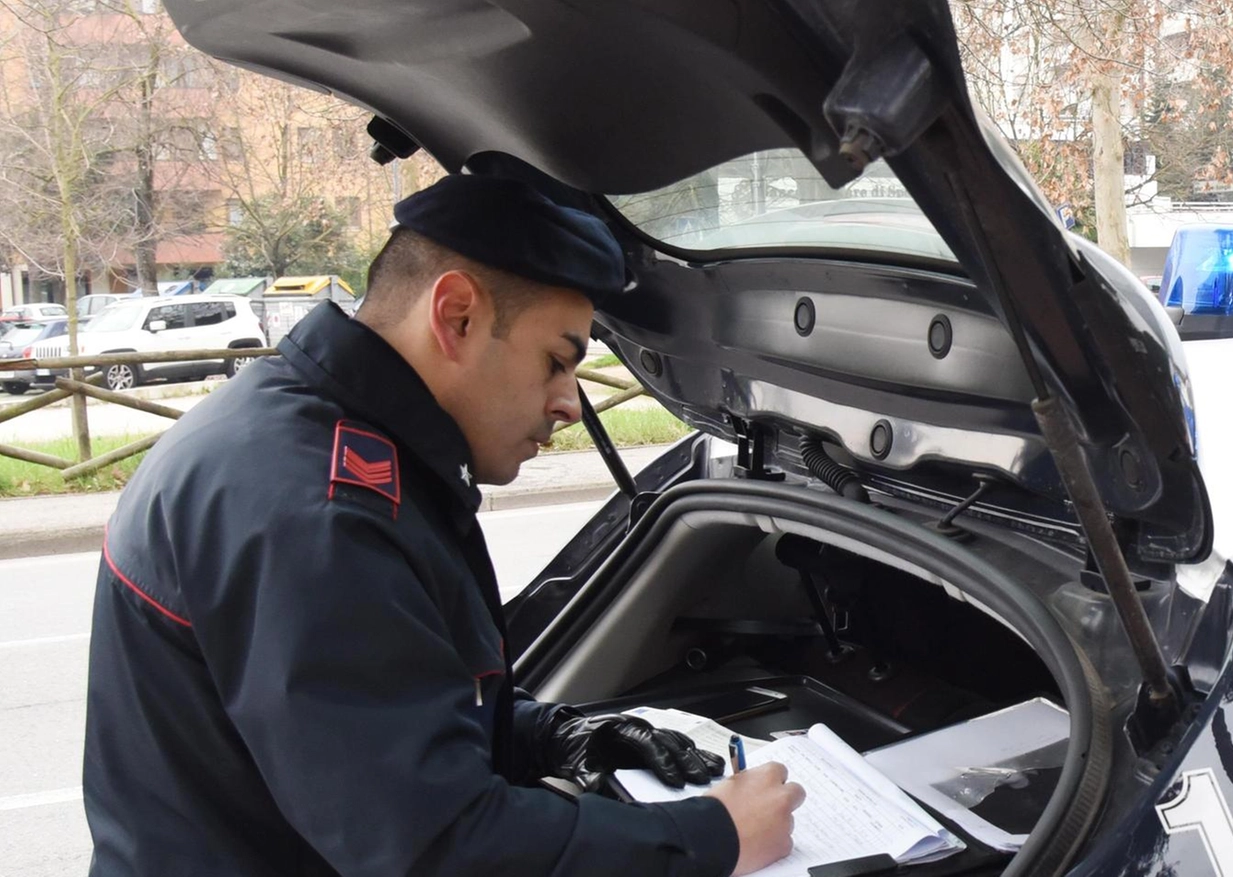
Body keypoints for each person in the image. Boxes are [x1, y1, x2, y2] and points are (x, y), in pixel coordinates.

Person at [83, 174, 805, 876]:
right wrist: (712, 836)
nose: (567, 403)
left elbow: (377, 723)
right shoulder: (321, 512)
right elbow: (435, 846)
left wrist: (552, 736)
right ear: (455, 315)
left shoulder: (298, 436)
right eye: (557, 361)